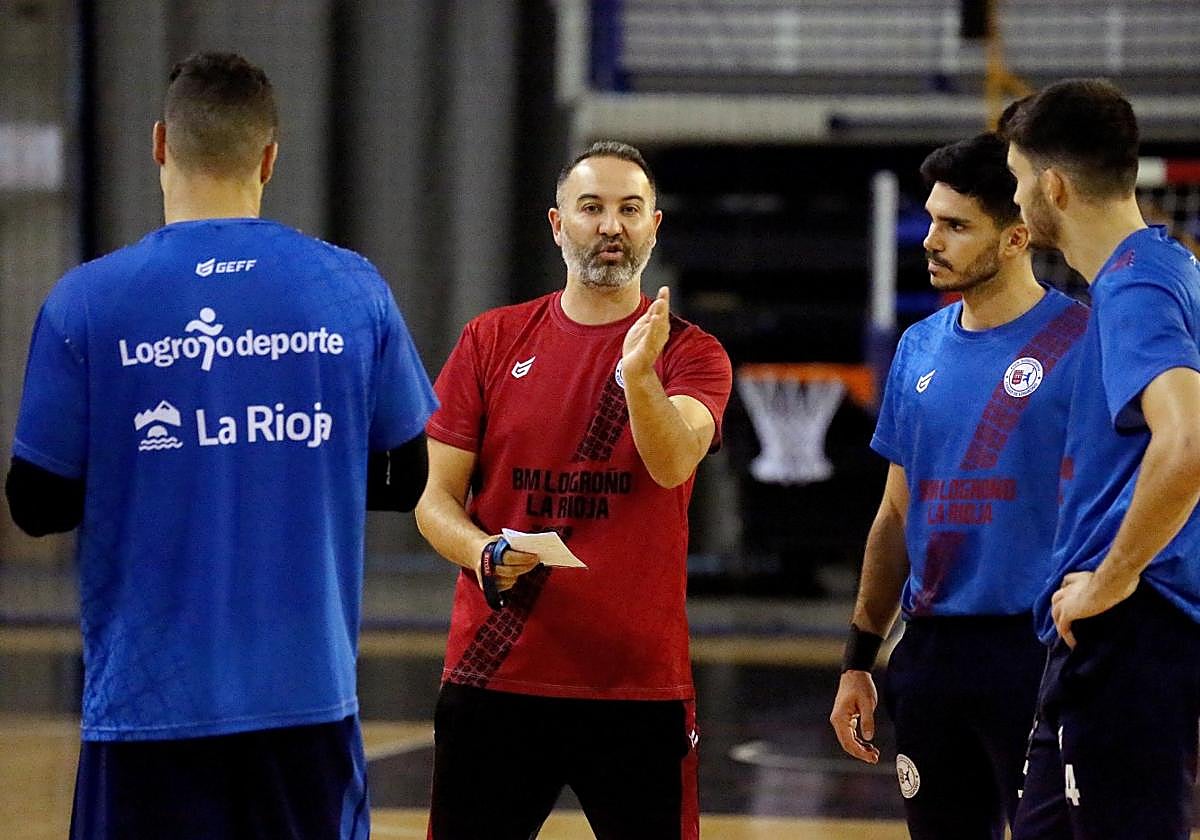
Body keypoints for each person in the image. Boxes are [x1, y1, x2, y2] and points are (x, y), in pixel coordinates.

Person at [4, 52, 437, 840]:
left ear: (160, 144)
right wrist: (297, 464)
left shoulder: (86, 302)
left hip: (146, 704)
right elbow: (410, 476)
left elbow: (36, 504)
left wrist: (154, 464)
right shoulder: (350, 289)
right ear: (269, 157)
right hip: (306, 700)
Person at [414, 140, 732, 840]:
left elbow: (674, 461)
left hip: (636, 686)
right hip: (495, 674)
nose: (610, 226)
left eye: (629, 209)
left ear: (655, 226)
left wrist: (638, 377)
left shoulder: (690, 352)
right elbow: (434, 501)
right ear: (558, 225)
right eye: (591, 208)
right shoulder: (490, 341)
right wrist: (483, 552)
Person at [829, 132, 1088, 839]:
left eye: (955, 225)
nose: (931, 239)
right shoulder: (919, 347)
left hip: (1039, 653)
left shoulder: (1085, 346)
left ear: (1016, 238)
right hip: (932, 655)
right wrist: (859, 660)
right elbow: (895, 513)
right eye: (932, 219)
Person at [1004, 79, 1200, 840]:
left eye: (1021, 181)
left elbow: (1187, 443)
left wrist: (1110, 580)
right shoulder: (1157, 272)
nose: (1018, 201)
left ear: (1052, 185)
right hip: (1112, 639)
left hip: (1131, 632)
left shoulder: (1138, 286)